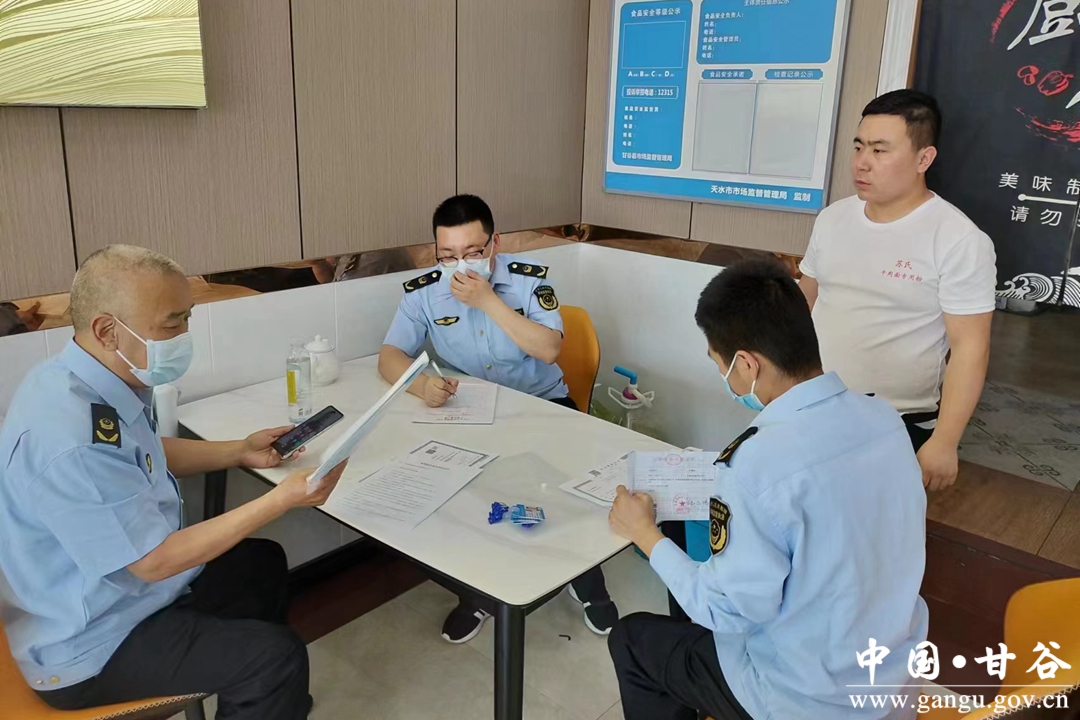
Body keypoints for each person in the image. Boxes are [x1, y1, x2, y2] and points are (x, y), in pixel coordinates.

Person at [0, 245, 347, 720]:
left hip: (125, 595)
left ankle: (263, 703)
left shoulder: (83, 379)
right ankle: (265, 689)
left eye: (187, 319)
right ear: (107, 331)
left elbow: (141, 452)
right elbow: (153, 561)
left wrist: (238, 450)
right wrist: (281, 499)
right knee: (275, 658)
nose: (184, 336)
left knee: (261, 563)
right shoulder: (72, 435)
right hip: (92, 645)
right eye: (171, 325)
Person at [607, 259, 929, 720]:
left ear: (747, 364)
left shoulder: (755, 463)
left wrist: (643, 534)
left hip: (806, 700)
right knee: (694, 588)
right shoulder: (884, 419)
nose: (726, 378)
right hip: (891, 681)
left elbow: (727, 613)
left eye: (720, 365)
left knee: (632, 640)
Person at [378, 194, 618, 642]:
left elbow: (549, 348)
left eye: (473, 252)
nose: (460, 265)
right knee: (466, 499)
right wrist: (421, 386)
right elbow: (390, 355)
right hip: (474, 412)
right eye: (448, 255)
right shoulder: (424, 291)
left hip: (545, 405)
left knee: (566, 496)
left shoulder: (528, 281)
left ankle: (590, 585)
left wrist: (488, 300)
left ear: (495, 244)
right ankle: (479, 594)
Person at [799, 89, 997, 491]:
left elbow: (970, 348)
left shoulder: (958, 239)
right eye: (859, 147)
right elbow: (806, 298)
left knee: (869, 524)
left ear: (924, 159)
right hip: (813, 407)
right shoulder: (833, 218)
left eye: (879, 150)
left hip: (895, 423)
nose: (862, 162)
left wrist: (945, 441)